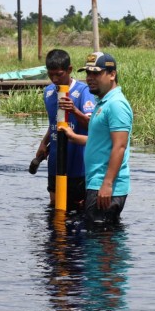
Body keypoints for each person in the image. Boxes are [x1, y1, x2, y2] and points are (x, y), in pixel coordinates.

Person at [60, 52, 133, 226]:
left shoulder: (116, 104)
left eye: (96, 73)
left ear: (112, 74)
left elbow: (119, 147)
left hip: (106, 185)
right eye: (88, 73)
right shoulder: (103, 103)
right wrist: (74, 137)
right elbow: (100, 141)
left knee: (102, 242)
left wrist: (107, 184)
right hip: (97, 181)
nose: (90, 78)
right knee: (99, 239)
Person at [34, 49, 95, 208]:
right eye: (50, 74)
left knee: (77, 209)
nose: (54, 79)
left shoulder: (83, 92)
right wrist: (43, 142)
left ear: (69, 70)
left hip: (78, 164)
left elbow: (92, 126)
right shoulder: (48, 92)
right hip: (55, 161)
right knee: (55, 206)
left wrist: (74, 110)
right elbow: (53, 123)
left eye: (59, 74)